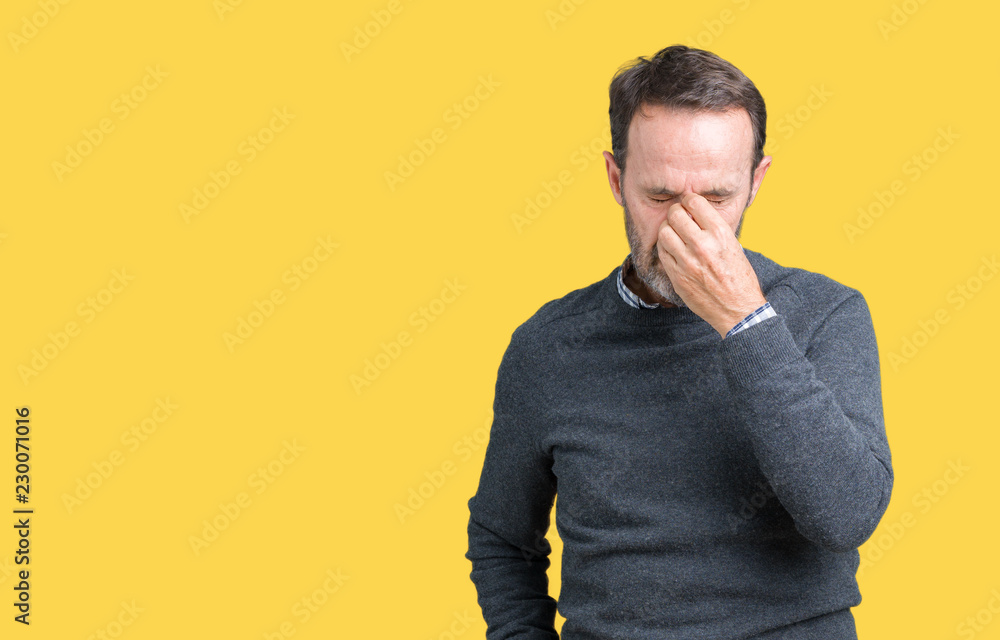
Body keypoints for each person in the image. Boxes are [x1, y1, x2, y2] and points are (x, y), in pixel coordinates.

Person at [464, 44, 893, 640]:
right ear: (616, 179)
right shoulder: (547, 348)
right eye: (660, 197)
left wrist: (746, 323)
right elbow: (501, 538)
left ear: (756, 181)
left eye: (717, 198)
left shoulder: (824, 314)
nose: (688, 226)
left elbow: (847, 515)